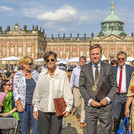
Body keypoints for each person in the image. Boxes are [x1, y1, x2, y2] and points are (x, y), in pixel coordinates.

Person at [79, 44, 117, 134]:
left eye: (97, 53)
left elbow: (114, 86)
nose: (95, 56)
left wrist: (107, 99)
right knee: (91, 131)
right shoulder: (84, 68)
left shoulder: (108, 67)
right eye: (93, 54)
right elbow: (81, 86)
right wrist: (89, 100)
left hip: (105, 107)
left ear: (101, 54)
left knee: (106, 131)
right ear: (90, 55)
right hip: (90, 107)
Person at [32, 51, 73, 134]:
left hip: (56, 111)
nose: (50, 62)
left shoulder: (62, 74)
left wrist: (68, 107)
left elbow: (67, 91)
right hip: (43, 110)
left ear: (55, 60)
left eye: (52, 59)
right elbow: (37, 93)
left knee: (55, 132)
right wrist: (35, 108)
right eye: (47, 60)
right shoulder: (42, 75)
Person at [13, 56, 39, 134]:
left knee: (36, 128)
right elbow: (15, 91)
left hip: (35, 105)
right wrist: (18, 103)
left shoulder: (35, 74)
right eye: (29, 64)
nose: (31, 65)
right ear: (23, 64)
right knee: (25, 128)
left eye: (32, 64)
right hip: (23, 105)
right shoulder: (18, 75)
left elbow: (40, 88)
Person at [112, 51, 134, 133]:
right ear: (117, 59)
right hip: (116, 96)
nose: (121, 60)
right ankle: (116, 131)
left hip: (127, 96)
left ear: (125, 59)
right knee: (116, 117)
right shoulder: (113, 69)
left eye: (122, 59)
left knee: (127, 116)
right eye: (119, 59)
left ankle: (127, 131)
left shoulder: (131, 69)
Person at [70, 56, 86, 128]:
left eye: (83, 61)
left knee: (83, 105)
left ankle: (82, 121)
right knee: (76, 105)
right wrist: (70, 87)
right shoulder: (75, 70)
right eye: (81, 61)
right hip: (76, 89)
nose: (82, 63)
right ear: (79, 61)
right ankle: (80, 114)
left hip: (84, 89)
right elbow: (72, 79)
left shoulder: (87, 70)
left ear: (85, 62)